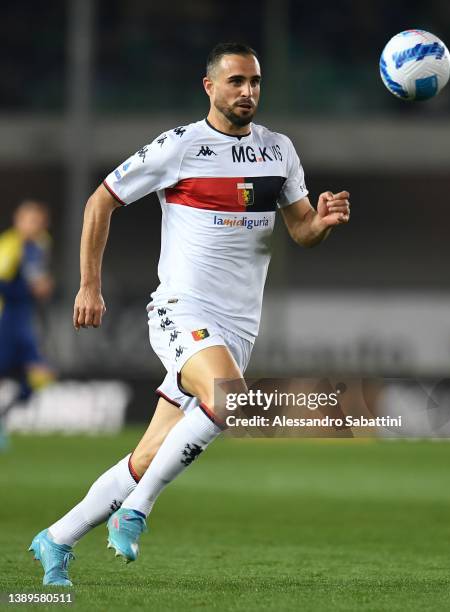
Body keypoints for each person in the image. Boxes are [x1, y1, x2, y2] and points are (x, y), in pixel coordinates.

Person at [29, 42, 350, 586]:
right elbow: (100, 201)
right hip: (182, 309)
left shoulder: (279, 151)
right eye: (236, 82)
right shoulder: (179, 146)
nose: (247, 91)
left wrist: (318, 223)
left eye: (254, 82)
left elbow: (299, 231)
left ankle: (55, 538)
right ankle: (137, 512)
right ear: (210, 87)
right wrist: (89, 284)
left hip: (238, 326)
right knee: (232, 397)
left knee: (147, 454)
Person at [0, 200, 55, 447]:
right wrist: (29, 288)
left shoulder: (41, 243)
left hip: (24, 319)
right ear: (18, 221)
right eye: (30, 220)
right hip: (6, 319)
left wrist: (40, 285)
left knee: (40, 376)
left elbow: (36, 275)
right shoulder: (10, 245)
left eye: (39, 220)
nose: (36, 225)